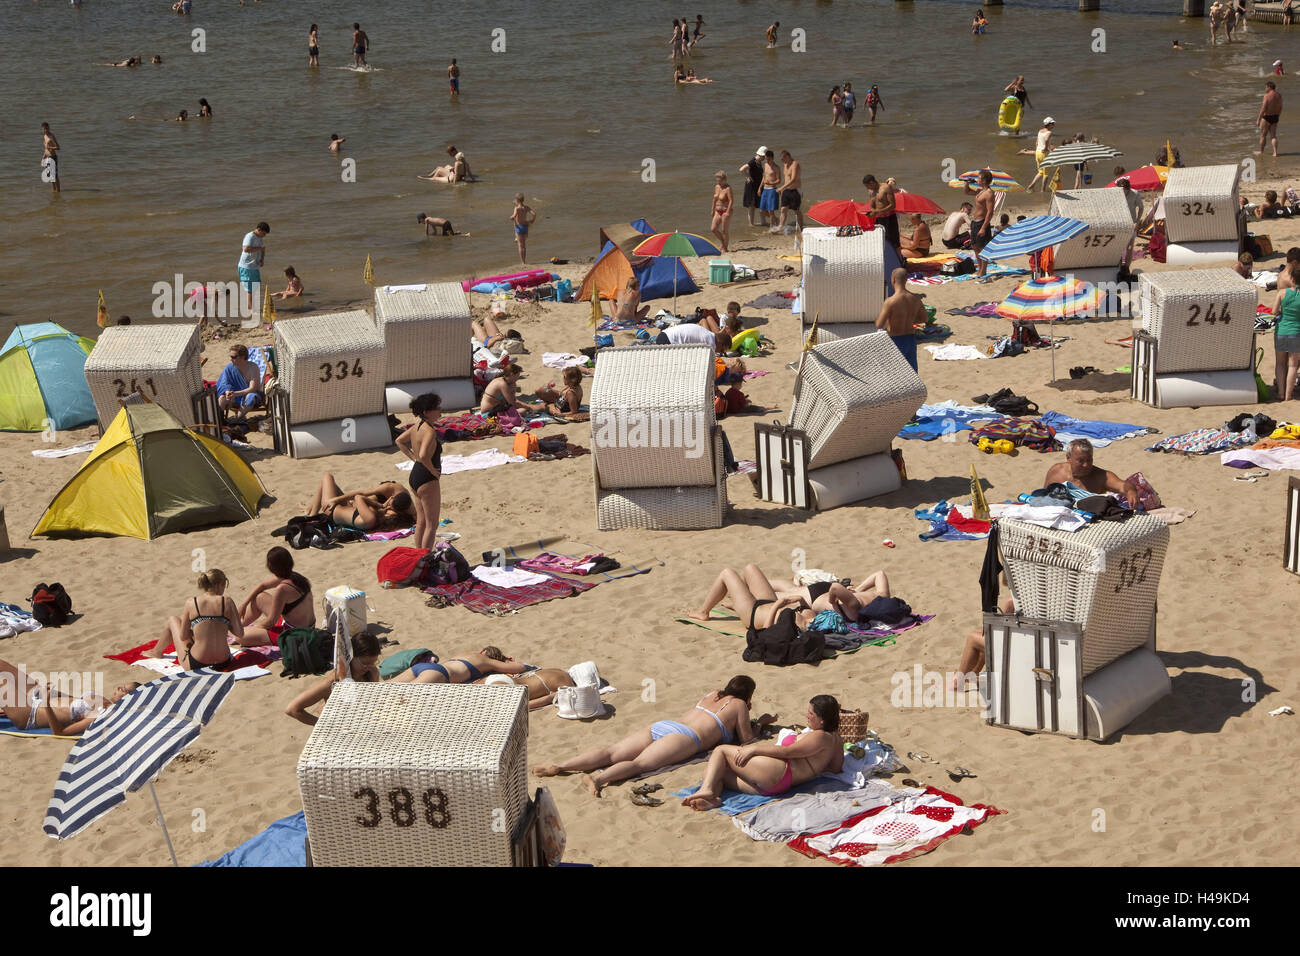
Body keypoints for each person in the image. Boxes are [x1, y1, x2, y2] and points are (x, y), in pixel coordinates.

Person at [533, 675, 772, 796]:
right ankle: (596, 779)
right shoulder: (740, 705)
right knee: (639, 764)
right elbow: (746, 739)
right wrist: (761, 724)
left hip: (665, 725)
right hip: (686, 737)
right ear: (747, 694)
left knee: (611, 752)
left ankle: (560, 765)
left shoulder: (714, 694)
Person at [683, 695, 843, 809]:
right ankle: (713, 799)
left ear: (822, 719)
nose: (806, 716)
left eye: (811, 713)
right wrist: (814, 767)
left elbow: (788, 752)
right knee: (715, 771)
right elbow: (836, 768)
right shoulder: (836, 739)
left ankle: (707, 790)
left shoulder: (820, 736)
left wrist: (754, 749)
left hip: (779, 771)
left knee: (721, 751)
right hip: (777, 785)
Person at [1, 659, 138, 737]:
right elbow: (72, 700)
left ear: (128, 698)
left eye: (124, 689)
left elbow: (60, 733)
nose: (119, 687)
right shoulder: (103, 700)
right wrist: (49, 692)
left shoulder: (101, 714)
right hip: (38, 696)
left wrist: (46, 703)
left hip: (31, 714)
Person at [140, 569, 244, 670]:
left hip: (197, 664)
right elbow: (239, 633)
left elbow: (183, 636)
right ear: (218, 585)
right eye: (224, 586)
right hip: (224, 662)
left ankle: (157, 652)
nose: (224, 589)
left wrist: (197, 631)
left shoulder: (192, 602)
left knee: (173, 620)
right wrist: (224, 624)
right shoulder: (228, 602)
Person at [688, 564, 815, 637]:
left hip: (753, 615)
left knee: (727, 573)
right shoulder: (811, 617)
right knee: (750, 568)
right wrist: (801, 600)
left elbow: (767, 632)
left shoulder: (800, 628)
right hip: (768, 602)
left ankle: (703, 612)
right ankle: (739, 601)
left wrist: (777, 606)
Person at [285, 634, 382, 726]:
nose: (368, 667)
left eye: (373, 662)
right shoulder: (333, 683)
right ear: (350, 657)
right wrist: (323, 725)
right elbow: (292, 709)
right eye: (365, 663)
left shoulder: (371, 672)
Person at [236, 547, 315, 647]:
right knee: (259, 597)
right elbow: (262, 585)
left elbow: (270, 622)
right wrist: (244, 604)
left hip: (296, 634)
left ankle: (238, 629)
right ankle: (241, 625)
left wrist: (255, 627)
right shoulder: (294, 577)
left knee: (240, 636)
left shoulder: (282, 589)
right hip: (307, 626)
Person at [396, 393, 443, 549]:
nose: (440, 410)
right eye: (436, 407)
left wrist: (413, 458)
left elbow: (400, 441)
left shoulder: (416, 427)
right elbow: (423, 455)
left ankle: (418, 556)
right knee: (432, 524)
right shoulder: (429, 431)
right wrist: (433, 471)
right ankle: (425, 559)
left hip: (415, 475)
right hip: (426, 479)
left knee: (421, 522)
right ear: (426, 412)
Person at [1043, 439, 1139, 509]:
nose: (1086, 465)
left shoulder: (1101, 476)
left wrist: (1130, 491)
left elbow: (1123, 485)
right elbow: (1042, 496)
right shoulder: (1056, 471)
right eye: (1081, 461)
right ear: (1068, 458)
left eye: (1089, 460)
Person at [769, 570, 891, 623]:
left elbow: (879, 574)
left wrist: (857, 591)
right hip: (814, 598)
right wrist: (832, 599)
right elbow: (835, 588)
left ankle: (753, 581)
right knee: (772, 596)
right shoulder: (856, 606)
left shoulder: (883, 596)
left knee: (790, 589)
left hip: (820, 592)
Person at [305, 473, 414, 532]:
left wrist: (381, 505)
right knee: (328, 484)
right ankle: (311, 510)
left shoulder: (371, 518)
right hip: (344, 508)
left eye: (390, 511)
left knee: (327, 476)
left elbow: (358, 497)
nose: (389, 508)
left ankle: (311, 516)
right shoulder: (377, 517)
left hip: (331, 511)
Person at [953, 591, 1015, 691]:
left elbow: (1001, 629)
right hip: (1031, 642)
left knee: (973, 639)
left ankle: (957, 682)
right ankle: (972, 674)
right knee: (984, 640)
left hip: (1013, 646)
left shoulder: (1013, 601)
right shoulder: (1038, 597)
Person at [390, 646, 529, 685]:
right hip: (440, 674)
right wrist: (506, 659)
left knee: (382, 688)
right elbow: (520, 667)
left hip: (422, 666)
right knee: (405, 695)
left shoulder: (465, 653)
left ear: (482, 650)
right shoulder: (487, 662)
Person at [876, 267, 926, 372]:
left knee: (895, 373)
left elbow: (879, 324)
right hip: (910, 339)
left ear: (893, 280)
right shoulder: (915, 299)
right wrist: (910, 319)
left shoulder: (890, 301)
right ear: (906, 280)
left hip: (895, 339)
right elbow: (924, 318)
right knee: (912, 372)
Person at [477, 668, 577, 711]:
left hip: (496, 678)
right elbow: (525, 706)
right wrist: (550, 698)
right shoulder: (567, 685)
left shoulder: (557, 670)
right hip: (512, 687)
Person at [1272, 262, 1300, 401]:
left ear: (1292, 279)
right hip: (1296, 332)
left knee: (1280, 363)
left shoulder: (1282, 293)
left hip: (1281, 330)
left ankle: (1281, 393)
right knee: (1293, 365)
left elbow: (1274, 311)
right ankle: (1288, 396)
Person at [216, 344, 265, 420]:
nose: (230, 359)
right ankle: (220, 421)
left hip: (249, 395)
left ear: (242, 357)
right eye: (230, 357)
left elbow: (253, 388)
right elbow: (224, 383)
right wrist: (227, 392)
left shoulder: (253, 368)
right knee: (222, 398)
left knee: (250, 397)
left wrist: (236, 394)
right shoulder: (229, 368)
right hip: (235, 396)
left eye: (233, 357)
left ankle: (237, 418)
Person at [968, 169, 996, 277]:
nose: (977, 180)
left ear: (984, 180)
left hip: (981, 223)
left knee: (982, 248)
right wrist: (967, 183)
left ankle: (983, 270)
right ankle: (980, 269)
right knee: (975, 246)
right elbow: (967, 192)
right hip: (975, 222)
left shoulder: (989, 193)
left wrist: (984, 227)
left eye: (979, 178)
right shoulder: (980, 191)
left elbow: (990, 212)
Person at [237, 221, 269, 314]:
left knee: (255, 286)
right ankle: (250, 308)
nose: (264, 236)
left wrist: (262, 259)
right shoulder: (249, 236)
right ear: (259, 230)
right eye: (263, 233)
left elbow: (262, 249)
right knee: (250, 288)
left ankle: (252, 306)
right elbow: (246, 249)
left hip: (254, 266)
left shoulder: (260, 238)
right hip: (246, 266)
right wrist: (260, 249)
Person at [863, 174, 899, 251]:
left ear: (872, 182)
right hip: (878, 218)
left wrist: (878, 211)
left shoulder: (886, 187)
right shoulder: (870, 191)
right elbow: (872, 205)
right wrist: (871, 213)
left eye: (867, 186)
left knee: (894, 241)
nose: (867, 188)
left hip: (889, 217)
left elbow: (893, 205)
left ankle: (899, 260)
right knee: (880, 240)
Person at [772, 150, 804, 235]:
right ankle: (780, 227)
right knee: (783, 209)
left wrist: (781, 188)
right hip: (786, 190)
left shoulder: (795, 165)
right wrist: (783, 189)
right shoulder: (785, 165)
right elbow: (786, 179)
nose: (782, 161)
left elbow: (793, 179)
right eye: (781, 159)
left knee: (796, 210)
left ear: (788, 156)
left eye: (783, 159)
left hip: (795, 190)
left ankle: (801, 227)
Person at [1026, 117, 1056, 193]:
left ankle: (1031, 186)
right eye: (1052, 124)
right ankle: (1043, 190)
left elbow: (1036, 142)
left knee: (1040, 172)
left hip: (1038, 153)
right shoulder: (1049, 132)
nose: (1054, 125)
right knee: (1046, 174)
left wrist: (1038, 149)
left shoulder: (1040, 131)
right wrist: (1046, 148)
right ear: (1049, 124)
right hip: (1044, 154)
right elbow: (1046, 140)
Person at [739, 147, 766, 226]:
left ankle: (762, 223)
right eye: (764, 156)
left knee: (759, 205)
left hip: (757, 185)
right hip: (751, 186)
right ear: (761, 155)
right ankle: (751, 224)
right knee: (752, 206)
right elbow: (741, 169)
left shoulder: (759, 161)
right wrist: (747, 177)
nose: (764, 158)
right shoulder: (753, 161)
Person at [656, 324, 731, 351]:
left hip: (665, 334)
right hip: (668, 341)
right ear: (720, 342)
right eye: (721, 350)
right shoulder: (709, 344)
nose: (719, 352)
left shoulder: (709, 334)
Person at [509, 193, 536, 264]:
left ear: (517, 200)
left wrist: (511, 217)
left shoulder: (516, 208)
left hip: (519, 227)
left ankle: (523, 262)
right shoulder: (526, 207)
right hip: (525, 227)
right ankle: (524, 260)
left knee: (520, 246)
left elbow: (514, 216)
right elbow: (534, 214)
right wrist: (532, 220)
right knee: (524, 245)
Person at [711, 170, 733, 252]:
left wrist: (727, 212)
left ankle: (725, 247)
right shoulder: (716, 187)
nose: (718, 182)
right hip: (717, 210)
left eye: (719, 180)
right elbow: (714, 199)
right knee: (713, 229)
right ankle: (723, 242)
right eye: (717, 180)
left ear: (724, 179)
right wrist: (712, 209)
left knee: (724, 230)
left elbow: (731, 200)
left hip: (725, 211)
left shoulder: (728, 188)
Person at [1259, 81, 1282, 158]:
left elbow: (1263, 108)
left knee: (1263, 135)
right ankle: (1275, 152)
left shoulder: (1267, 96)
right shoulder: (1278, 95)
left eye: (1266, 87)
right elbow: (1280, 107)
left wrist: (1258, 119)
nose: (1265, 89)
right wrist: (1277, 115)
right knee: (1273, 136)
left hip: (1267, 117)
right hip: (1275, 117)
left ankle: (1261, 152)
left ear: (1269, 87)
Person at [759, 149, 781, 226]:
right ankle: (776, 219)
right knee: (762, 210)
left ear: (772, 158)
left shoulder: (776, 167)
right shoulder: (765, 165)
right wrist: (760, 188)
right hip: (765, 189)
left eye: (768, 159)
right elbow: (764, 177)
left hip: (772, 190)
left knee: (770, 211)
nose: (767, 161)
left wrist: (771, 183)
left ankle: (771, 227)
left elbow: (779, 180)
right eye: (766, 159)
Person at [40, 123, 59, 194]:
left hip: (53, 157)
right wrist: (43, 158)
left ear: (49, 128)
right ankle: (54, 191)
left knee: (55, 176)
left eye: (47, 128)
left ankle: (58, 191)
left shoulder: (51, 136)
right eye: (44, 129)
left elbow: (58, 147)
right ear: (42, 129)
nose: (46, 130)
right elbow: (46, 149)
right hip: (47, 157)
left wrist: (50, 147)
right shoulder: (44, 136)